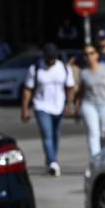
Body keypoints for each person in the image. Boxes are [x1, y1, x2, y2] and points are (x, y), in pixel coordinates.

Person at [19, 44, 73, 177]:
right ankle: (53, 162)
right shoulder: (35, 69)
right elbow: (28, 89)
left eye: (53, 57)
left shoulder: (64, 68)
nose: (51, 60)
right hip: (41, 106)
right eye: (49, 58)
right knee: (47, 135)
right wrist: (25, 109)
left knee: (56, 135)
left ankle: (50, 160)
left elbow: (70, 87)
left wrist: (69, 105)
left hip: (59, 106)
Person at [70, 44, 105, 163]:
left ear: (97, 54)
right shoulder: (83, 72)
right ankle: (95, 160)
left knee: (103, 132)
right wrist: (76, 107)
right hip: (88, 104)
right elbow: (80, 92)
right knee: (93, 132)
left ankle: (102, 156)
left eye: (91, 53)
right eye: (86, 54)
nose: (89, 56)